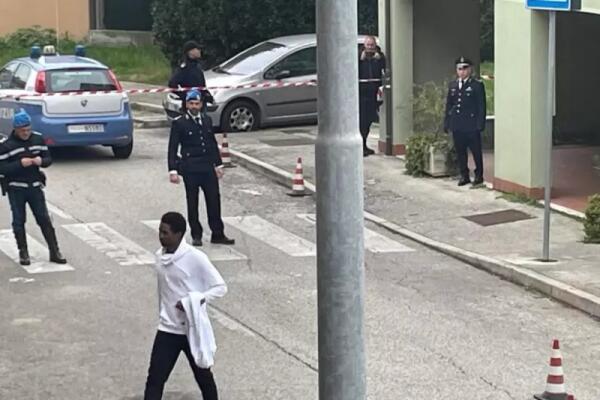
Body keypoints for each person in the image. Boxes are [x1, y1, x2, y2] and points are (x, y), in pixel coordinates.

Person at [143, 211, 226, 400]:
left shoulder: (195, 258)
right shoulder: (160, 257)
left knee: (203, 377)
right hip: (167, 329)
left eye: (165, 233)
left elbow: (220, 287)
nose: (161, 236)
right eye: (160, 231)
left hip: (191, 329)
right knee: (155, 379)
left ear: (179, 234)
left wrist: (194, 300)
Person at [168, 90, 234, 246]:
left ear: (201, 104)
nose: (194, 107)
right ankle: (196, 234)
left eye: (196, 104)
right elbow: (173, 148)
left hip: (207, 168)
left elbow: (211, 144)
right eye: (191, 104)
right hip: (190, 168)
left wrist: (218, 164)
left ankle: (217, 233)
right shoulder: (179, 123)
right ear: (186, 105)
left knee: (214, 201)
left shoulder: (206, 120)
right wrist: (173, 170)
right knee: (193, 203)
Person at [0, 110, 67, 266]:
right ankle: (23, 252)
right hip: (16, 188)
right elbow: (2, 168)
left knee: (44, 218)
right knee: (19, 220)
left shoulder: (38, 139)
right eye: (22, 131)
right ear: (15, 129)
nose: (26, 133)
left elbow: (48, 158)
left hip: (35, 186)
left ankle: (54, 251)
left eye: (28, 130)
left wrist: (41, 161)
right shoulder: (6, 146)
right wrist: (19, 164)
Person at [443, 56, 487, 186]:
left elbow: (481, 106)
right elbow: (449, 106)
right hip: (458, 124)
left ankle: (479, 175)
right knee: (460, 152)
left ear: (470, 69)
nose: (462, 71)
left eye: (464, 68)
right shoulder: (453, 85)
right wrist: (447, 122)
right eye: (459, 69)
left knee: (476, 151)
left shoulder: (476, 85)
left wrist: (480, 123)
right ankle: (464, 175)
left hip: (471, 125)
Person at [358, 35, 386, 157]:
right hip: (361, 94)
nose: (370, 47)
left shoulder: (379, 58)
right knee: (362, 122)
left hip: (373, 94)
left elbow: (384, 71)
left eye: (372, 45)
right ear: (364, 45)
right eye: (368, 45)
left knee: (369, 121)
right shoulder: (359, 57)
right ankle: (361, 146)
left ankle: (364, 145)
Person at [168, 40, 214, 113]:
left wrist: (207, 95)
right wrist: (186, 96)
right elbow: (172, 84)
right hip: (191, 107)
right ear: (190, 52)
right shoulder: (185, 68)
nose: (199, 51)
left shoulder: (197, 66)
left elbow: (201, 85)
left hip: (201, 104)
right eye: (197, 49)